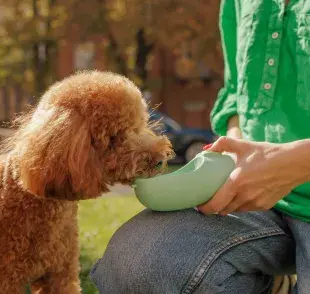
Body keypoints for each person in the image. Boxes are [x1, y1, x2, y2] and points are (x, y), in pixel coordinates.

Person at [90, 0, 310, 293]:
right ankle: (270, 284)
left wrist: (296, 163)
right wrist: (237, 149)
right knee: (133, 262)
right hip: (259, 200)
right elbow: (238, 91)